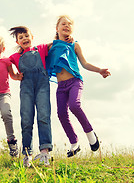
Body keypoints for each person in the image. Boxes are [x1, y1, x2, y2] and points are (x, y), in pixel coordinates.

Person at [46, 15, 111, 157]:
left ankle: (90, 134)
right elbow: (37, 51)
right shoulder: (51, 46)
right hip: (61, 86)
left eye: (69, 24)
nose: (67, 26)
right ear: (57, 28)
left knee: (74, 106)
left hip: (75, 81)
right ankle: (74, 143)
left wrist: (99, 70)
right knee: (61, 114)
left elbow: (85, 63)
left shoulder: (74, 45)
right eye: (63, 24)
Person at [9, 26, 53, 167]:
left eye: (26, 35)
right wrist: (14, 76)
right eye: (20, 37)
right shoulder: (15, 57)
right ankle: (27, 155)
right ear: (17, 42)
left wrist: (64, 37)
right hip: (26, 88)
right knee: (26, 120)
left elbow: (55, 43)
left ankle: (45, 152)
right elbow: (2, 63)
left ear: (32, 37)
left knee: (43, 116)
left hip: (42, 86)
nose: (24, 39)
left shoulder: (40, 49)